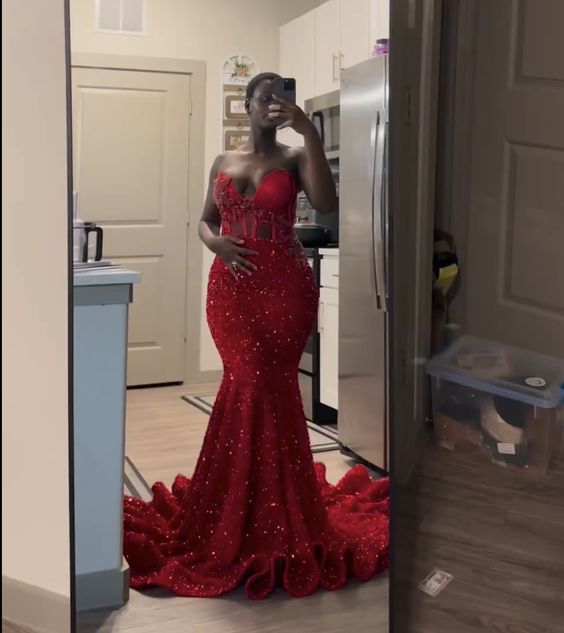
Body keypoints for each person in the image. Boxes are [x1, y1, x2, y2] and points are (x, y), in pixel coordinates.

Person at [123, 72, 389, 600]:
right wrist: (217, 244)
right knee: (242, 384)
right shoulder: (223, 161)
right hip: (230, 290)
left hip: (284, 287)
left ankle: (275, 509)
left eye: (279, 97)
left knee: (270, 388)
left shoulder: (295, 157)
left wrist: (309, 131)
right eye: (262, 97)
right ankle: (233, 506)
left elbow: (327, 202)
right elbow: (204, 220)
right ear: (246, 105)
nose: (271, 104)